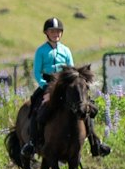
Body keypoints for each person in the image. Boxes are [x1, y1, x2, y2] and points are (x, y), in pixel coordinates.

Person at [24, 18, 109, 160]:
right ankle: (33, 143)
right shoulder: (41, 51)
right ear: (46, 33)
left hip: (66, 86)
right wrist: (45, 87)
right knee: (36, 108)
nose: (55, 34)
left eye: (58, 31)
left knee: (85, 107)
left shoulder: (66, 50)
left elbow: (72, 71)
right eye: (52, 31)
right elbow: (37, 73)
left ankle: (95, 143)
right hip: (48, 84)